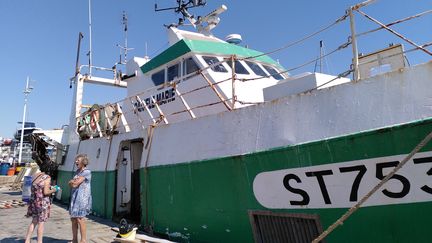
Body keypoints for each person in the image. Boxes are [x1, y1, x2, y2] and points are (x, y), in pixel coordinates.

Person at [24, 171, 60, 243]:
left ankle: (27, 240)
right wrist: (55, 189)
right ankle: (39, 241)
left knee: (34, 221)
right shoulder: (47, 177)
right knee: (41, 223)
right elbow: (46, 192)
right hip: (42, 202)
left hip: (34, 201)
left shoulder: (35, 175)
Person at [68, 154, 92, 243]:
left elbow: (74, 184)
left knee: (80, 219)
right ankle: (74, 240)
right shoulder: (77, 172)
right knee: (73, 219)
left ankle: (83, 240)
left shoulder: (87, 172)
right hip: (75, 197)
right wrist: (72, 182)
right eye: (76, 160)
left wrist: (72, 182)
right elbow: (71, 184)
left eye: (78, 160)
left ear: (83, 161)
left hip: (82, 199)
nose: (76, 161)